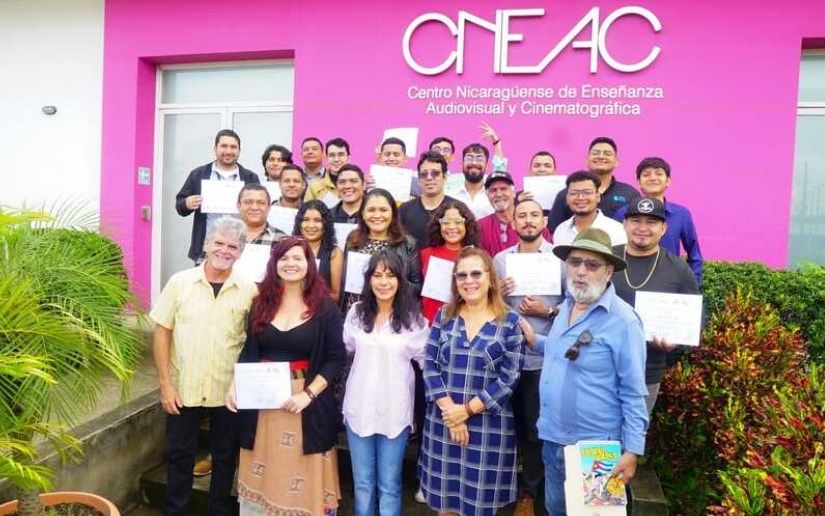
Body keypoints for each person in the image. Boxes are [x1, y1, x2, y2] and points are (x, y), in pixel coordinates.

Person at [535, 228, 648, 515]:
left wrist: (632, 451)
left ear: (609, 272)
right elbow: (562, 352)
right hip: (552, 438)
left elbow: (634, 390)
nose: (581, 271)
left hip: (596, 451)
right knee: (556, 510)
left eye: (592, 265)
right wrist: (533, 340)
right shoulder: (567, 305)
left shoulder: (623, 322)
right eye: (575, 262)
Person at [230, 237, 345, 515]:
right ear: (274, 264)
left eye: (297, 258)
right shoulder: (261, 304)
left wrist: (308, 395)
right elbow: (249, 351)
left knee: (299, 474)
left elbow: (335, 359)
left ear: (309, 264)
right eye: (284, 258)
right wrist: (235, 386)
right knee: (264, 466)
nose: (290, 263)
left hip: (305, 402)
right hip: (263, 401)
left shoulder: (325, 308)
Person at [150, 217, 257, 516]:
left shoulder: (249, 289)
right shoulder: (180, 282)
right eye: (218, 243)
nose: (224, 250)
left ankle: (218, 511)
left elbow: (253, 340)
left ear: (240, 252)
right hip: (183, 388)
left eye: (232, 246)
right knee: (179, 455)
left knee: (225, 457)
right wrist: (165, 385)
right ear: (206, 244)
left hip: (228, 391)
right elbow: (162, 331)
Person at [419, 247, 525, 516]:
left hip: (487, 427)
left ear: (490, 278)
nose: (469, 281)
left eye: (476, 274)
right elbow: (429, 365)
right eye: (462, 275)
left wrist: (465, 411)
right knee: (446, 504)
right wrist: (452, 415)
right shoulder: (444, 315)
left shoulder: (510, 321)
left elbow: (509, 378)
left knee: (480, 507)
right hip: (444, 423)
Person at [343, 250, 429, 516]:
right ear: (368, 279)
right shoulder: (356, 313)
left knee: (389, 485)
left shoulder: (414, 320)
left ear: (400, 281)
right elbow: (347, 348)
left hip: (395, 412)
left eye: (390, 276)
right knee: (363, 484)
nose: (383, 282)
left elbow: (428, 363)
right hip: (359, 409)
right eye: (377, 275)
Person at [493, 198, 563, 516]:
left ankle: (528, 493)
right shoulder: (501, 260)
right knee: (505, 428)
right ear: (514, 223)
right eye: (522, 215)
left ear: (544, 221)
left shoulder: (559, 259)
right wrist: (497, 293)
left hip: (541, 360)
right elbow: (488, 306)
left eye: (535, 215)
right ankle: (500, 487)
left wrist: (546, 310)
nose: (528, 220)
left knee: (536, 430)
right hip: (504, 359)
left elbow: (574, 307)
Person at [612, 197, 700, 413]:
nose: (642, 228)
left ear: (663, 228)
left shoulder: (678, 268)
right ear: (624, 224)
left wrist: (676, 341)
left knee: (634, 430)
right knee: (593, 430)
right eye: (636, 221)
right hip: (600, 366)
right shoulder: (606, 259)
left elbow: (695, 317)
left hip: (647, 370)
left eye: (651, 222)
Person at [613, 157, 703, 287]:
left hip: (668, 282)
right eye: (646, 174)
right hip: (630, 281)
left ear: (668, 181)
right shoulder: (623, 213)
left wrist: (693, 286)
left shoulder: (681, 214)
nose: (653, 178)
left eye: (659, 173)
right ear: (638, 182)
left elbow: (694, 254)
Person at [176, 129, 260, 263]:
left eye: (233, 147)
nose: (228, 151)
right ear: (215, 149)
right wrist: (186, 203)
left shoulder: (250, 177)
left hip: (239, 249)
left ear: (239, 150)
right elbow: (180, 206)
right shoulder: (198, 174)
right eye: (224, 146)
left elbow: (258, 210)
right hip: (207, 248)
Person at [342, 188, 422, 313]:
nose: (377, 215)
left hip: (394, 314)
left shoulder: (407, 243)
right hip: (357, 312)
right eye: (371, 210)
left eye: (383, 210)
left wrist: (393, 279)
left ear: (393, 214)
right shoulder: (353, 239)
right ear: (362, 213)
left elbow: (417, 288)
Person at [547, 137, 638, 231]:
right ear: (587, 160)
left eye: (607, 154)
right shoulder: (566, 194)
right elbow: (554, 230)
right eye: (596, 153)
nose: (601, 157)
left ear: (616, 162)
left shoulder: (630, 194)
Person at [420, 200, 479, 324]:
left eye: (458, 222)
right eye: (446, 222)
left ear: (467, 225)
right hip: (429, 324)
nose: (452, 227)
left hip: (463, 325)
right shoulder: (425, 254)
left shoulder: (476, 256)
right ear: (439, 225)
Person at [400, 150, 465, 250]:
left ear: (445, 177)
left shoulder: (459, 208)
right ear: (419, 179)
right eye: (424, 174)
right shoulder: (405, 209)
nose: (429, 178)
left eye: (435, 173)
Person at [477, 171, 552, 257]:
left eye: (503, 189)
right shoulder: (480, 226)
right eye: (493, 190)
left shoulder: (535, 224)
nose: (499, 194)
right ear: (487, 195)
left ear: (513, 193)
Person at [552, 171, 627, 247]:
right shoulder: (561, 230)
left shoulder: (616, 230)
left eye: (587, 193)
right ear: (567, 198)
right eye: (574, 193)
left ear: (598, 197)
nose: (580, 198)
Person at [293, 200, 345, 302]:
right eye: (306, 220)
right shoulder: (291, 250)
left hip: (322, 308)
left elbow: (336, 295)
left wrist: (307, 295)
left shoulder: (335, 253)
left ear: (326, 224)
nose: (311, 225)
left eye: (317, 220)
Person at [449, 143, 495, 220]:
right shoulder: (451, 195)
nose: (474, 163)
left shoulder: (494, 196)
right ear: (462, 164)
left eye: (479, 159)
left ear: (487, 166)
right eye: (469, 158)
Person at [305, 137, 351, 204]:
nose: (336, 159)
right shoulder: (314, 187)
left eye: (341, 155)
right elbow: (306, 210)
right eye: (332, 155)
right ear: (326, 158)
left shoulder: (359, 185)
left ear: (348, 158)